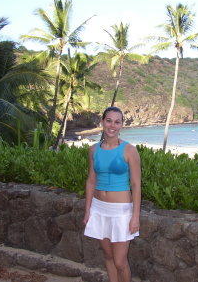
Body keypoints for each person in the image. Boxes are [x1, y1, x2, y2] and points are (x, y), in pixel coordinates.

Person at [83, 106, 141, 282]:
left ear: (122, 125)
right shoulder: (94, 150)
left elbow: (136, 184)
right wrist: (88, 211)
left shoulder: (129, 150)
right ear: (102, 122)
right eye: (109, 120)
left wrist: (135, 216)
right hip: (99, 209)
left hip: (121, 211)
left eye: (117, 121)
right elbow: (91, 181)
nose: (112, 125)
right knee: (108, 256)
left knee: (120, 261)